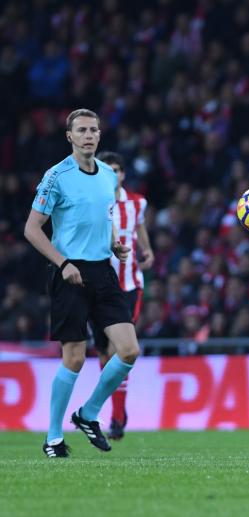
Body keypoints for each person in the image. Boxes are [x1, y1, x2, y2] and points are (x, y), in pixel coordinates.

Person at [24, 109, 140, 458]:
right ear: (70, 137)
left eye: (93, 130)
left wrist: (115, 243)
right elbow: (32, 229)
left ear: (100, 136)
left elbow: (103, 219)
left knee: (129, 349)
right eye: (82, 130)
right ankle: (54, 437)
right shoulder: (56, 177)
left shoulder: (108, 176)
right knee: (73, 358)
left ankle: (88, 414)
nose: (88, 135)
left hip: (103, 271)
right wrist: (63, 264)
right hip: (69, 273)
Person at [95, 151, 154, 440]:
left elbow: (139, 225)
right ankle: (113, 409)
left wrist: (148, 249)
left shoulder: (137, 203)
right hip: (100, 288)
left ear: (123, 174)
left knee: (122, 350)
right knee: (105, 354)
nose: (114, 174)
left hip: (130, 286)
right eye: (109, 169)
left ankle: (118, 416)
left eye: (117, 169)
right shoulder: (94, 202)